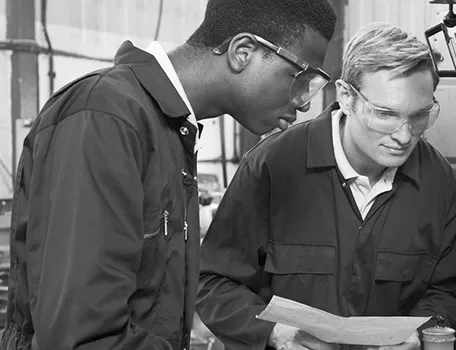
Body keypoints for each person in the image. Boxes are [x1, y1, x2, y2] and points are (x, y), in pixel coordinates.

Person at [1, 0, 336, 348]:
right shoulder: (106, 116)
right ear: (243, 51)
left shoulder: (171, 132)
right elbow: (83, 336)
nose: (305, 103)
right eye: (302, 78)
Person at [196, 23, 456, 350]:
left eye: (419, 116)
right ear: (346, 97)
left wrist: (421, 334)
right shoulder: (272, 167)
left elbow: (452, 295)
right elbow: (214, 282)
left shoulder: (440, 185)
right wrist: (274, 332)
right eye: (385, 114)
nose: (404, 135)